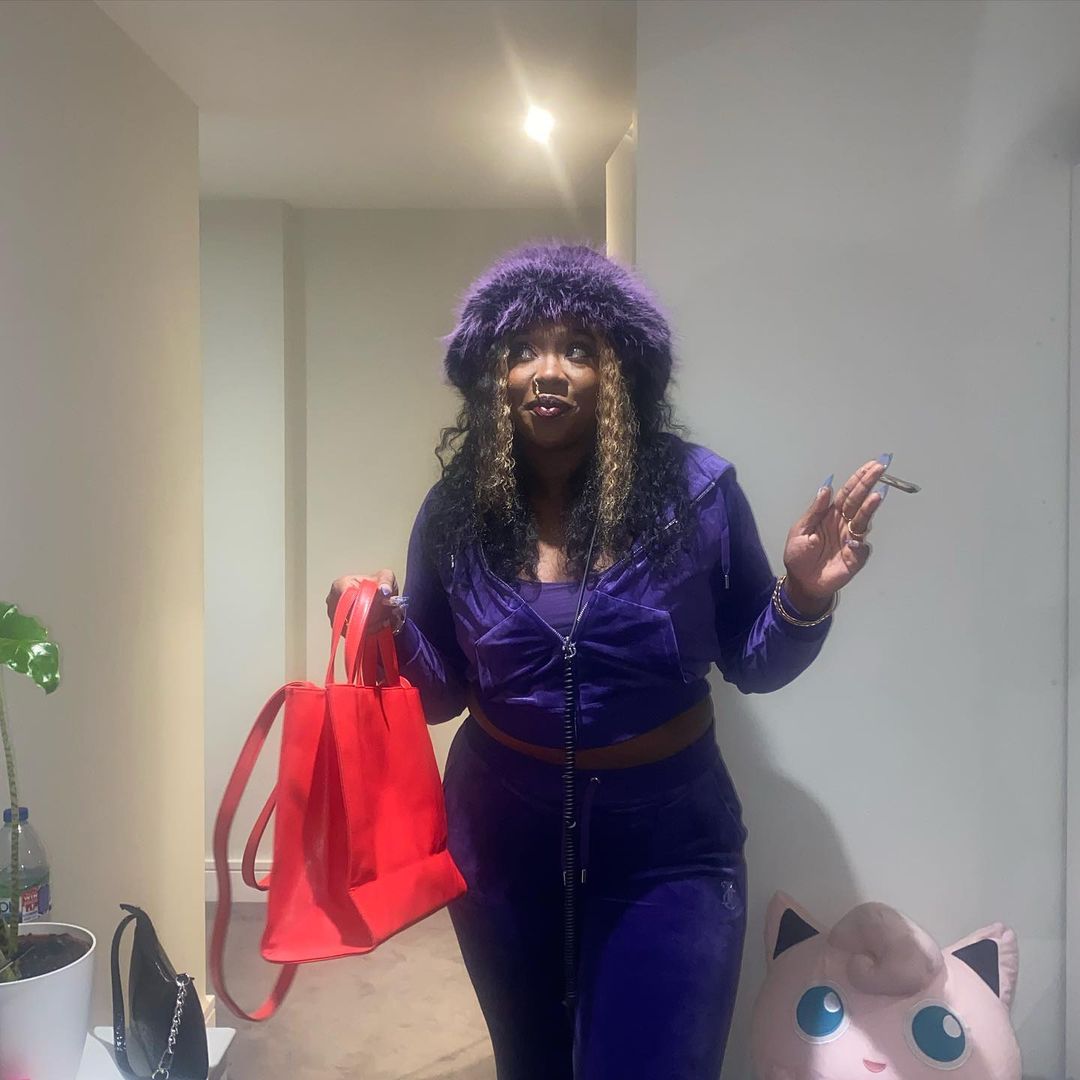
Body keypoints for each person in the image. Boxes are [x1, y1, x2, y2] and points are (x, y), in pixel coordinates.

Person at [327, 242, 887, 1080]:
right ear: (494, 376)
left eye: (578, 349)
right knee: (533, 1064)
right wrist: (386, 629)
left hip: (669, 843)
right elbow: (441, 693)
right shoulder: (455, 513)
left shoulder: (698, 493)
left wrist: (803, 595)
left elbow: (754, 661)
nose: (548, 371)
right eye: (523, 349)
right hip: (499, 836)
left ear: (618, 372)